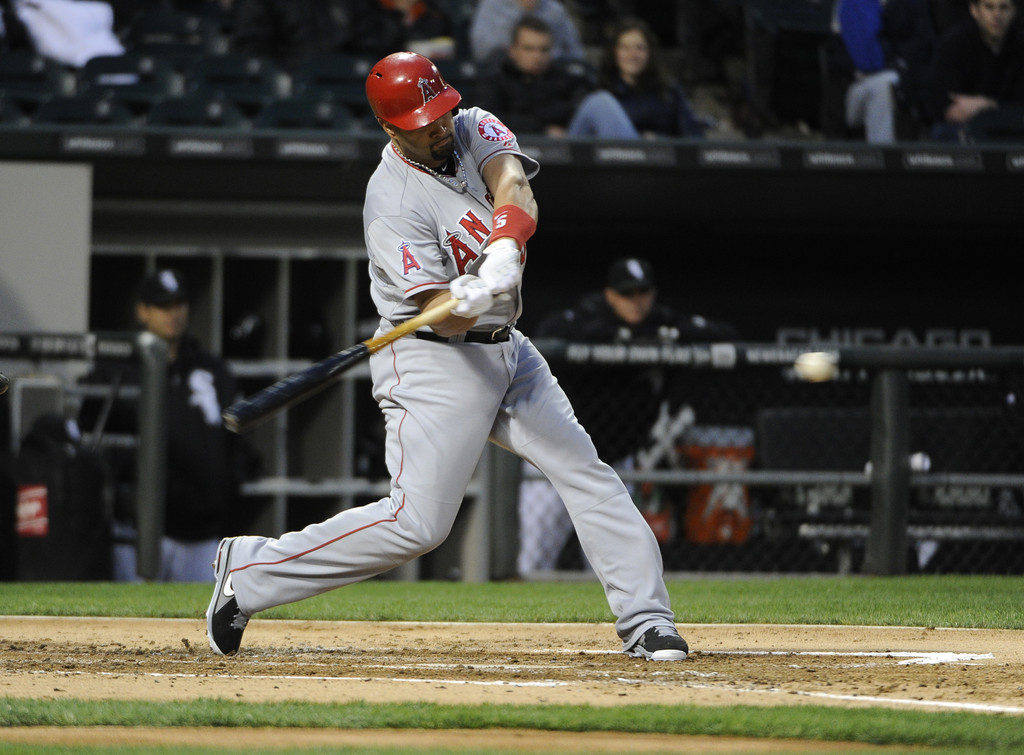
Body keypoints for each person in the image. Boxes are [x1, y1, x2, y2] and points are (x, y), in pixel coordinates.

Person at [207, 51, 689, 661]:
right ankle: (248, 571)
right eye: (421, 120)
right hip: (434, 358)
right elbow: (450, 316)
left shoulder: (471, 124)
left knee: (584, 471)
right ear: (390, 128)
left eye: (440, 110)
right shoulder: (390, 204)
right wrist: (461, 296)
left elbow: (514, 184)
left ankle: (647, 621)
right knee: (418, 526)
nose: (438, 126)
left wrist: (506, 247)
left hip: (509, 350)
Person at [518, 257, 738, 575]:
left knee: (611, 566)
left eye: (642, 292)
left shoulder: (660, 322)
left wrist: (658, 337)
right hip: (553, 456)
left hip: (613, 462)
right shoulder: (586, 316)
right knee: (534, 559)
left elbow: (723, 335)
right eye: (627, 293)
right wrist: (621, 337)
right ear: (610, 294)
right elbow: (552, 330)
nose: (636, 300)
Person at [80, 269, 256, 582]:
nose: (173, 313)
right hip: (139, 532)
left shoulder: (212, 369)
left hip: (203, 534)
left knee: (201, 623)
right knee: (134, 626)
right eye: (163, 306)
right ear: (142, 311)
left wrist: (231, 485)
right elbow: (93, 443)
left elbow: (236, 440)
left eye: (179, 304)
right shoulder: (117, 370)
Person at [474, 15, 639, 139]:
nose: (537, 56)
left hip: (569, 143)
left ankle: (635, 169)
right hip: (516, 148)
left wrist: (540, 115)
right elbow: (487, 120)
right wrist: (541, 128)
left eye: (544, 50)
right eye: (529, 49)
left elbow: (581, 103)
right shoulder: (497, 80)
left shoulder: (563, 77)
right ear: (513, 50)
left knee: (601, 101)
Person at [822, 0, 936, 144]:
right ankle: (882, 158)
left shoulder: (911, 4)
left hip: (900, 82)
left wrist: (901, 62)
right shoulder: (856, 3)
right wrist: (899, 61)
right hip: (851, 90)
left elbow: (925, 45)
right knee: (885, 85)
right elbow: (869, 60)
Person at [230, 0, 455, 71]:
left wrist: (396, 16)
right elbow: (250, 50)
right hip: (289, 84)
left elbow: (375, 42)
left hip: (349, 85)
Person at [924, 0, 1024, 141]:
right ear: (974, 10)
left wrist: (987, 105)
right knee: (945, 133)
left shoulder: (1020, 45)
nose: (997, 15)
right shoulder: (953, 43)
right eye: (989, 7)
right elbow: (943, 104)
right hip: (963, 126)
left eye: (1004, 7)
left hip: (1012, 126)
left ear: (1014, 11)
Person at [597, 17, 710, 139]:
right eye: (625, 48)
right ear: (615, 52)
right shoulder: (603, 92)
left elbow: (693, 137)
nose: (632, 55)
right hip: (615, 153)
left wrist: (657, 140)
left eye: (639, 48)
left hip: (660, 154)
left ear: (650, 52)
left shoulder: (669, 92)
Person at [469, 0, 584, 66]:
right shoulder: (492, 5)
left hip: (552, 77)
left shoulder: (555, 10)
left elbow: (575, 53)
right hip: (506, 76)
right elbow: (483, 52)